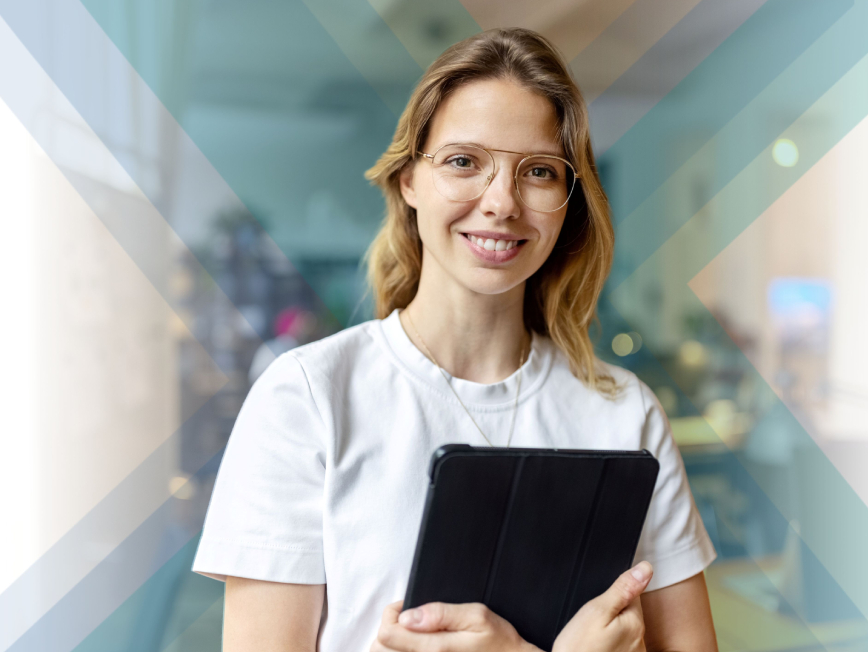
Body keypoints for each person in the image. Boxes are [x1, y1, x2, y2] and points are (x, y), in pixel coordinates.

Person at [192, 28, 719, 652]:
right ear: (410, 179)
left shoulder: (625, 414)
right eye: (464, 161)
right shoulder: (306, 399)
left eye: (540, 172)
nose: (500, 203)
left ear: (569, 203)